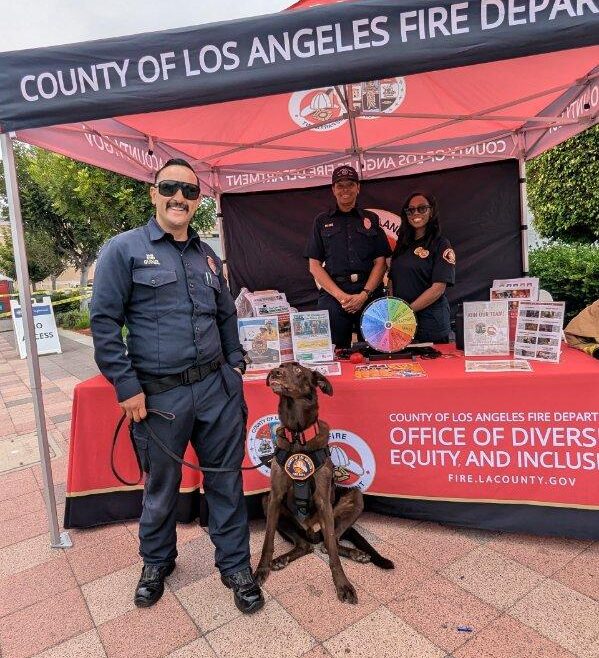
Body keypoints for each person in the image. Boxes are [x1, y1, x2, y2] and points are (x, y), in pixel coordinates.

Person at [90, 158, 264, 614]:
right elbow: (104, 324)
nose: (179, 198)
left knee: (225, 481)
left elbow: (226, 315)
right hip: (157, 397)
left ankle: (235, 565)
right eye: (170, 187)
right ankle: (156, 562)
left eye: (188, 191)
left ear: (197, 201)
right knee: (162, 486)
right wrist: (126, 387)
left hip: (216, 390)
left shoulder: (208, 255)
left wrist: (236, 365)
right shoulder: (123, 250)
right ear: (153, 193)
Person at [304, 165, 391, 348]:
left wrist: (364, 295)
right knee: (333, 352)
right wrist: (341, 296)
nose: (345, 190)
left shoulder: (371, 219)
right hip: (335, 295)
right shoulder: (322, 221)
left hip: (368, 293)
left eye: (350, 184)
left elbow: (380, 263)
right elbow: (314, 265)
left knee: (377, 350)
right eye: (340, 185)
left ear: (358, 188)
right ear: (333, 189)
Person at [388, 191, 456, 343]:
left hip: (431, 321)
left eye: (422, 208)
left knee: (434, 366)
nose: (415, 213)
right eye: (410, 210)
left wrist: (406, 311)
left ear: (431, 211)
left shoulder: (441, 244)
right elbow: (392, 279)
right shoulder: (402, 245)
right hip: (402, 323)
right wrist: (394, 311)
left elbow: (438, 288)